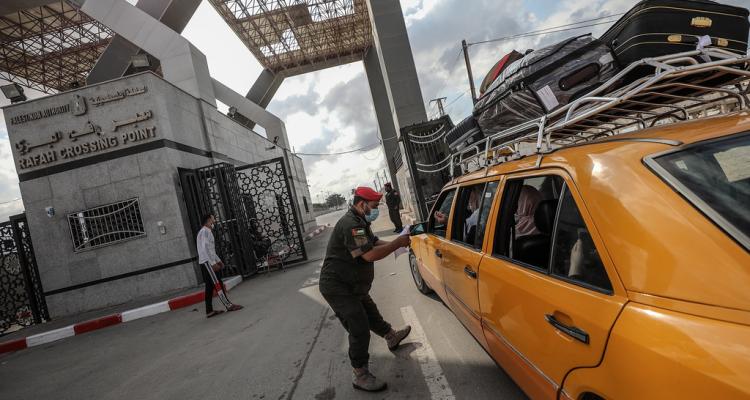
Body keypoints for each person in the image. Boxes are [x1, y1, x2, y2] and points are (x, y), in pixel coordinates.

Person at [318, 186, 412, 392]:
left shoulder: (360, 221)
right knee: (359, 327)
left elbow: (374, 242)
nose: (375, 209)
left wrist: (401, 242)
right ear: (362, 204)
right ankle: (360, 374)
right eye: (374, 206)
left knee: (370, 311)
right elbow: (368, 255)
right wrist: (397, 243)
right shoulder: (352, 224)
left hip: (352, 284)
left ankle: (391, 336)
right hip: (338, 286)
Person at [197, 214, 243, 318]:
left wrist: (218, 261)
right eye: (213, 218)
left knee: (209, 287)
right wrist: (212, 263)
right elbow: (205, 248)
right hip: (207, 263)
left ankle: (209, 311)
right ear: (209, 220)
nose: (215, 220)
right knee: (218, 284)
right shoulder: (205, 231)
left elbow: (211, 250)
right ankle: (228, 305)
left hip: (207, 262)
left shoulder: (206, 231)